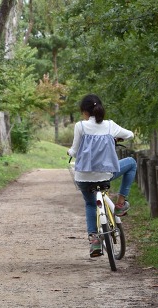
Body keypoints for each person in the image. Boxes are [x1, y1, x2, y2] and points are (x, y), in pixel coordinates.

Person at [67, 94, 137, 258]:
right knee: (131, 163)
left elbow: (75, 151)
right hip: (105, 175)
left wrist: (69, 152)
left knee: (91, 205)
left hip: (83, 178)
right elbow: (130, 135)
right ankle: (120, 203)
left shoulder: (80, 126)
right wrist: (115, 137)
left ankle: (94, 240)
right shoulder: (110, 125)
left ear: (84, 111)